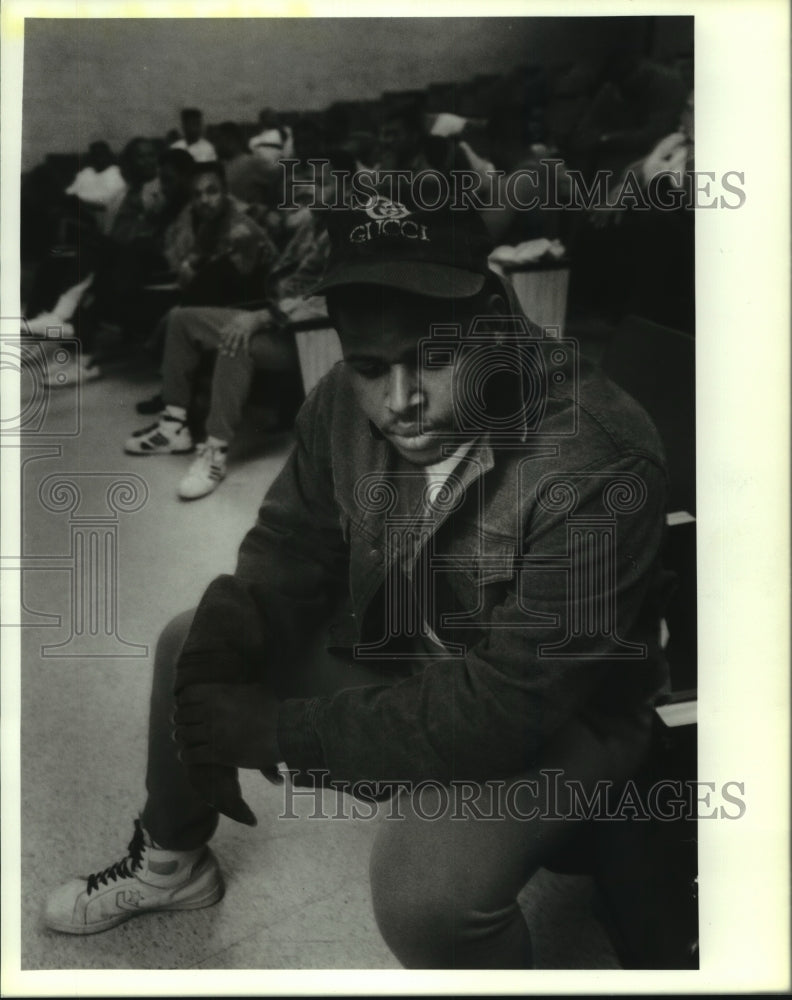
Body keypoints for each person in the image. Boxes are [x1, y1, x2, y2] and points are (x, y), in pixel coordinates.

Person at [44, 189, 670, 969]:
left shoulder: (596, 454)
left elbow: (511, 707)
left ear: (496, 320)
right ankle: (171, 863)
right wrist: (213, 681)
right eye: (370, 365)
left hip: (567, 715)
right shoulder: (343, 398)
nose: (399, 401)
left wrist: (276, 731)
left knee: (425, 897)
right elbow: (287, 549)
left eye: (435, 358)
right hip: (409, 641)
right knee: (191, 642)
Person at [123, 176, 327, 500]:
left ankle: (214, 451)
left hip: (309, 339)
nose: (307, 194)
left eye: (321, 184)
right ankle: (174, 426)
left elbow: (331, 297)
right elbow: (283, 277)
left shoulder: (352, 233)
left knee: (236, 339)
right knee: (181, 320)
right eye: (302, 187)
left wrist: (263, 316)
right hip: (275, 316)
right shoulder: (311, 225)